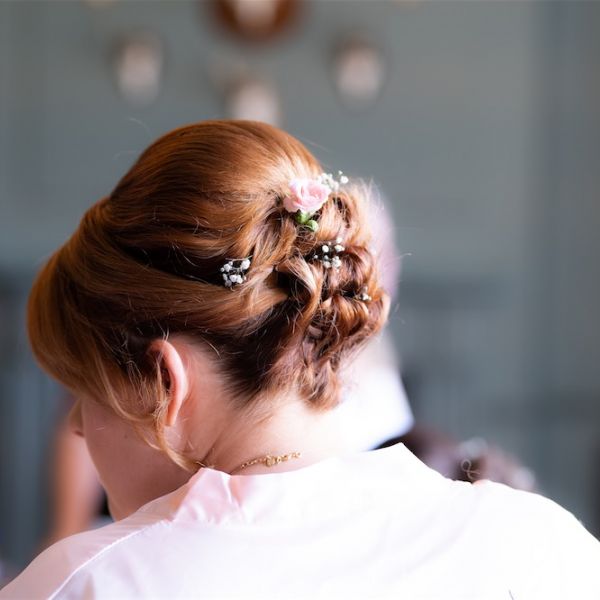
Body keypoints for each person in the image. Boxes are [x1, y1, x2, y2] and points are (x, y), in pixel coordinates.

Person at [2, 120, 598, 599]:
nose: (78, 425)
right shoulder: (541, 542)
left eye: (84, 391)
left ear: (165, 382)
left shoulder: (89, 583)